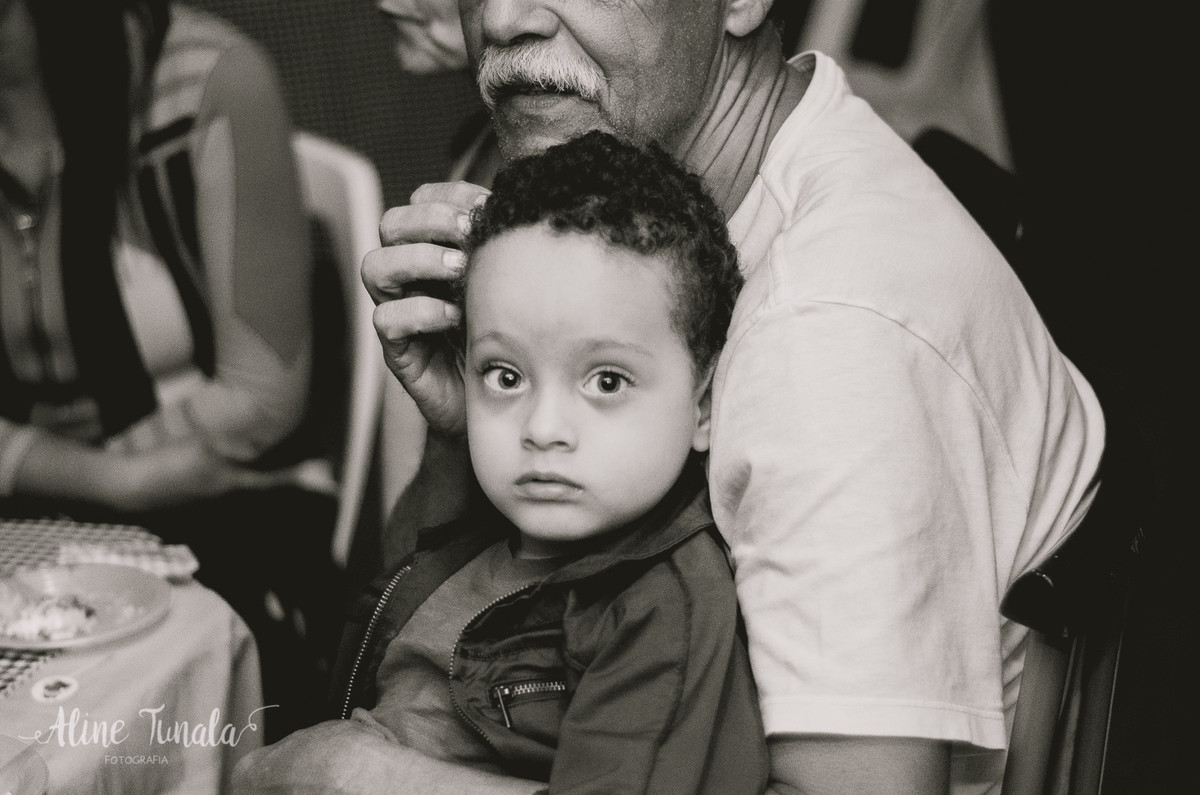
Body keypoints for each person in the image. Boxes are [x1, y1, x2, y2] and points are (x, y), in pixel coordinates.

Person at [238, 0, 1106, 792]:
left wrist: (362, 779)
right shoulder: (632, 233)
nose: (501, 19)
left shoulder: (825, 333)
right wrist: (474, 434)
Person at [319, 130, 765, 793]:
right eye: (505, 374)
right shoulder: (491, 516)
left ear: (703, 407)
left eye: (607, 381)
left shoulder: (657, 612)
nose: (543, 428)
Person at [0, 0, 338, 740]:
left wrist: (45, 465)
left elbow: (261, 401)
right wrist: (109, 479)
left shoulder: (207, 80)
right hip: (64, 508)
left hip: (227, 500)